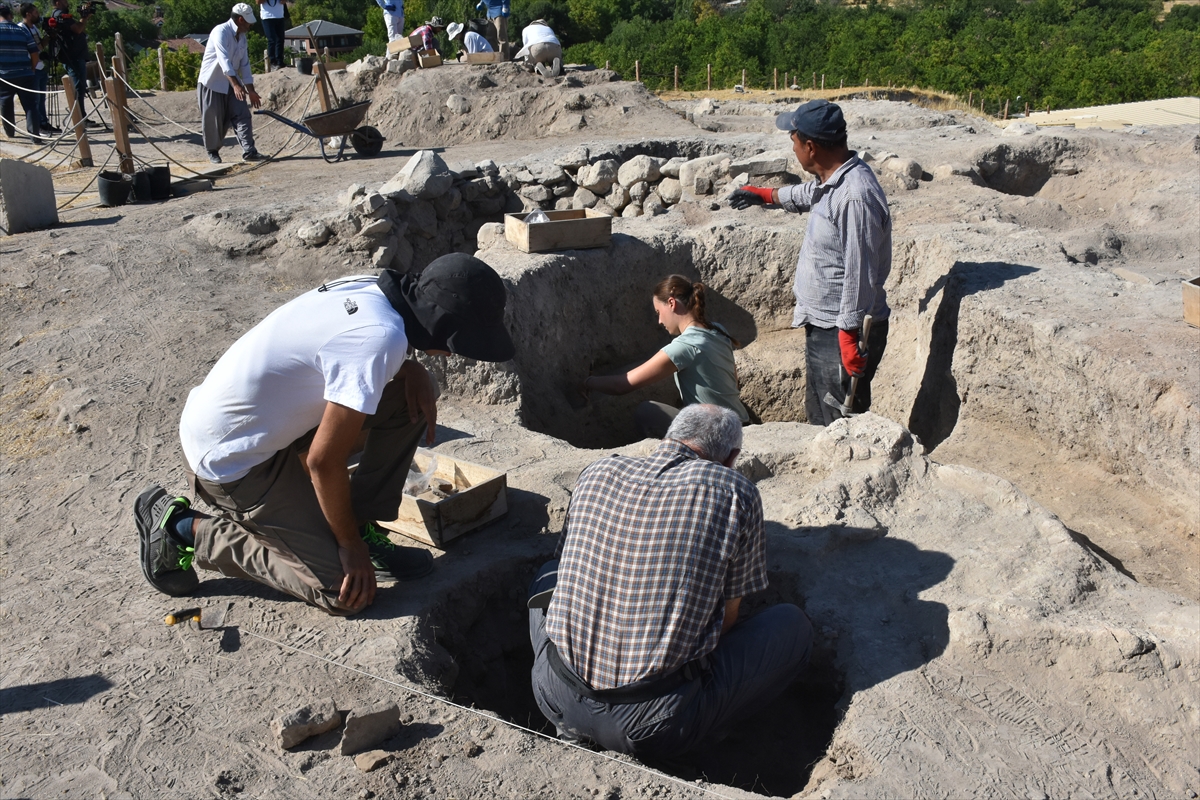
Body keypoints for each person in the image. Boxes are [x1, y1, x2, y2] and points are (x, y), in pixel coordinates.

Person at [134, 254, 516, 616]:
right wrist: (346, 547)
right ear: (442, 324)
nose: (451, 355)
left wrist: (409, 369)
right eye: (456, 343)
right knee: (345, 593)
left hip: (264, 430)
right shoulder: (379, 339)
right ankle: (181, 528)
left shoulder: (375, 291)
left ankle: (361, 525)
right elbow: (323, 461)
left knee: (413, 393)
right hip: (231, 461)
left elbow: (338, 354)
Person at [529, 404, 813, 757]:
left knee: (546, 576)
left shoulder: (597, 470)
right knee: (793, 627)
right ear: (732, 457)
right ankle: (708, 732)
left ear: (669, 436)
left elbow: (567, 564)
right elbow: (727, 619)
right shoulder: (736, 492)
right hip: (649, 725)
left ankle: (572, 730)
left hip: (552, 692)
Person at [730, 99, 891, 426]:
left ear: (811, 146)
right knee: (819, 408)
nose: (793, 149)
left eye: (793, 141)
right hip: (827, 324)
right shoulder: (836, 178)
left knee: (839, 419)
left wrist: (847, 336)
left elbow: (860, 273)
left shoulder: (855, 196)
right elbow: (813, 194)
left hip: (841, 330)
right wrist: (767, 196)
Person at [583, 275, 749, 439]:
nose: (659, 321)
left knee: (647, 411)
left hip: (716, 437)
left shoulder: (684, 346)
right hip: (741, 425)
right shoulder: (718, 330)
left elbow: (622, 385)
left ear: (671, 303)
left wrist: (588, 382)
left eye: (658, 312)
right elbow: (734, 381)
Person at [197, 3, 262, 164]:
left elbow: (245, 65)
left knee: (242, 114)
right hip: (212, 83)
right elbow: (223, 60)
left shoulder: (242, 37)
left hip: (232, 83)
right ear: (240, 20)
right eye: (248, 22)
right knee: (213, 118)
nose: (250, 25)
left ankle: (249, 150)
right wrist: (236, 85)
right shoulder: (220, 32)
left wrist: (251, 90)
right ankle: (212, 151)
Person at [48, 0, 96, 126]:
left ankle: (81, 117)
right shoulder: (60, 15)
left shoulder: (59, 15)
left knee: (79, 87)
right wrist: (83, 17)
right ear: (58, 2)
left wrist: (86, 16)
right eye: (64, 1)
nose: (67, 2)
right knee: (78, 87)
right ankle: (80, 119)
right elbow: (78, 29)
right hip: (73, 57)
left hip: (73, 56)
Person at [0, 1, 38, 140]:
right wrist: (32, 69)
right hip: (25, 73)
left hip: (4, 74)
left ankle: (10, 132)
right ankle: (35, 136)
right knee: (30, 106)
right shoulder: (22, 30)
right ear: (10, 15)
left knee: (5, 103)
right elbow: (34, 53)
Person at [19, 4, 57, 134]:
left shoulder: (34, 28)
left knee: (41, 99)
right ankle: (37, 125)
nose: (38, 14)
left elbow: (40, 46)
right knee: (34, 99)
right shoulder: (21, 28)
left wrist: (48, 36)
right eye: (35, 12)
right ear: (28, 14)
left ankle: (43, 122)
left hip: (40, 67)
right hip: (31, 68)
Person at [257, 0, 286, 69]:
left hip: (279, 16)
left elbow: (283, 2)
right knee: (272, 40)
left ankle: (280, 61)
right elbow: (258, 2)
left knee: (280, 39)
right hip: (267, 17)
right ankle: (273, 62)